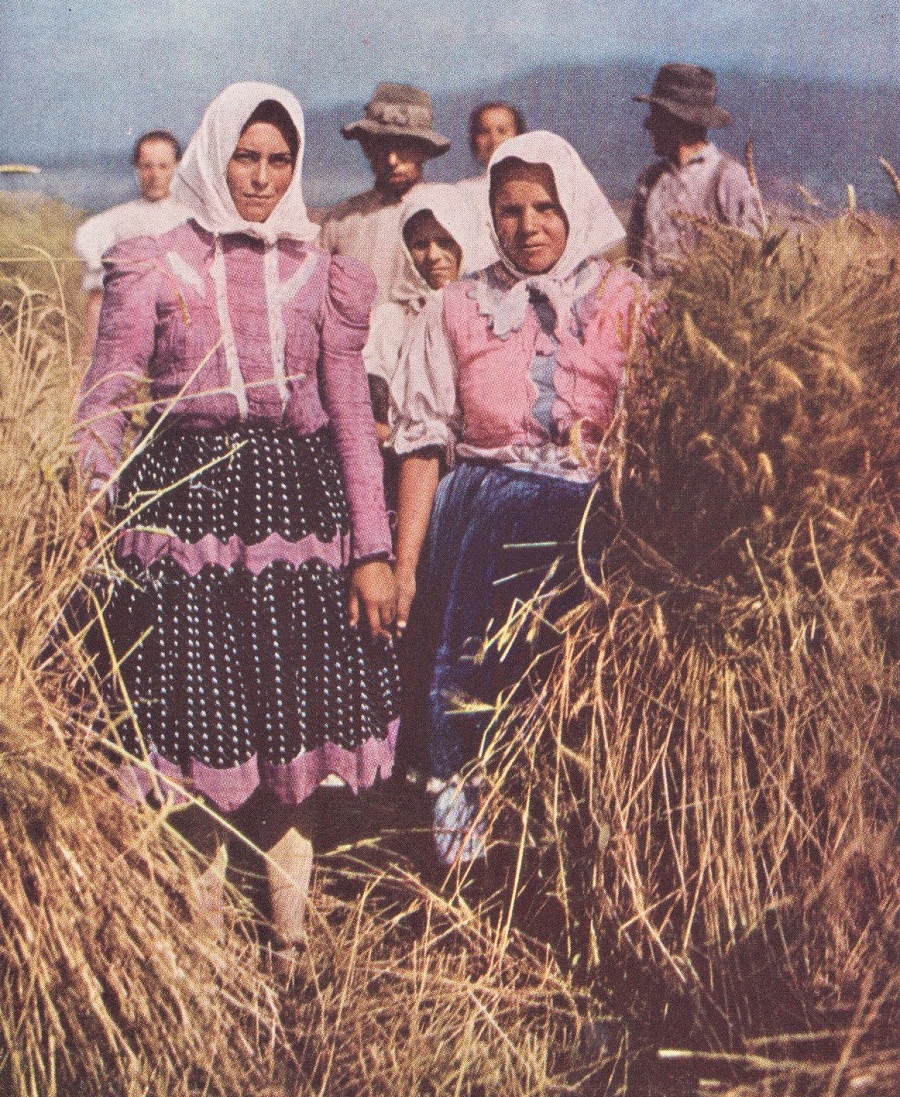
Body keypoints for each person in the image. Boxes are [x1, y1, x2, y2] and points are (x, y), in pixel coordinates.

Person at [76, 83, 399, 958]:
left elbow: (349, 421)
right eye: (245, 158)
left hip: (295, 522)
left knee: (290, 735)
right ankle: (209, 958)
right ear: (214, 156)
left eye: (279, 160)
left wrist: (373, 549)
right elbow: (106, 399)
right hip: (186, 518)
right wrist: (87, 507)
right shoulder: (152, 260)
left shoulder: (322, 274)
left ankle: (290, 949)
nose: (260, 177)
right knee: (199, 732)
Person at [390, 131, 648, 864]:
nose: (527, 225)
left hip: (596, 518)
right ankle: (470, 852)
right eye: (508, 210)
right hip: (483, 523)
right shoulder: (455, 307)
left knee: (570, 694)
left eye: (544, 206)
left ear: (575, 208)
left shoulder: (626, 301)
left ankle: (563, 848)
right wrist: (406, 567)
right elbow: (420, 446)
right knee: (473, 676)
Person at [318, 82, 451, 396]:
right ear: (366, 147)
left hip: (426, 368)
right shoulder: (342, 218)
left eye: (404, 147)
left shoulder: (447, 214)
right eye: (381, 146)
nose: (392, 159)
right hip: (351, 373)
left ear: (424, 150)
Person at [627, 63, 764, 281]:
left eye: (656, 115)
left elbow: (753, 261)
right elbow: (632, 264)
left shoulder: (727, 178)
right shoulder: (649, 179)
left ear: (677, 121)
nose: (647, 124)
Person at [365, 183, 478, 445]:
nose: (433, 256)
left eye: (445, 241)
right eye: (420, 244)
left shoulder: (490, 315)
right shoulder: (391, 320)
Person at [73, 129, 190, 358]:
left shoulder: (194, 219)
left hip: (183, 340)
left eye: (163, 166)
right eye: (147, 166)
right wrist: (85, 355)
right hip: (130, 339)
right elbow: (97, 298)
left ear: (177, 167)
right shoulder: (113, 223)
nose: (154, 175)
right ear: (136, 168)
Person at [456, 101, 526, 270]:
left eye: (502, 131)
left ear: (518, 135)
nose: (494, 140)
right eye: (484, 132)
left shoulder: (537, 184)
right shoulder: (463, 192)